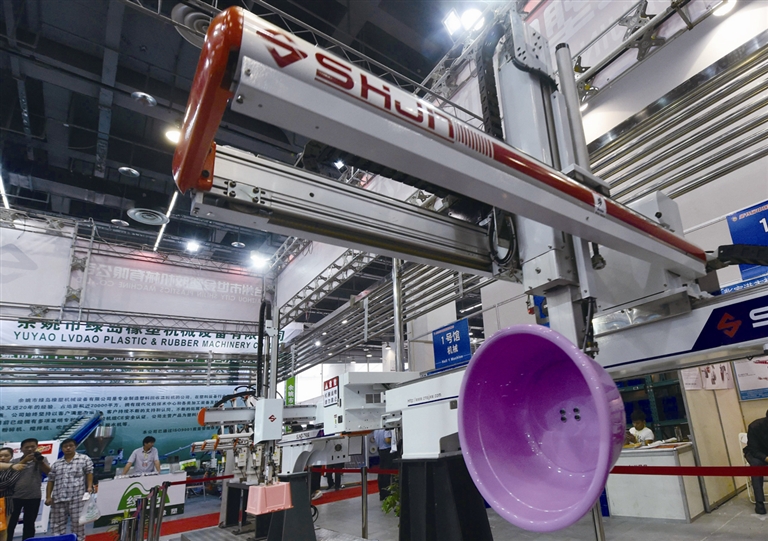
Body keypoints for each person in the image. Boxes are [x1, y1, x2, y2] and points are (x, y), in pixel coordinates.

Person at [45, 438, 94, 541]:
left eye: (70, 446)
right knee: (57, 524)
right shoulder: (57, 463)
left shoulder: (84, 459)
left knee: (78, 523)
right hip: (58, 498)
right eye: (65, 446)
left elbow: (89, 473)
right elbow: (51, 480)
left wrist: (89, 487)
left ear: (75, 447)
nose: (68, 448)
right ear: (62, 448)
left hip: (77, 498)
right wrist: (48, 496)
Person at [7, 438, 51, 541]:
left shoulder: (42, 459)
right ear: (21, 449)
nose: (30, 449)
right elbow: (9, 475)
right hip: (14, 496)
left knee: (29, 524)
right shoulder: (15, 461)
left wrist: (40, 462)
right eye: (27, 447)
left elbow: (49, 473)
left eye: (32, 447)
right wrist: (25, 460)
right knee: (11, 523)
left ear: (37, 447)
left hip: (33, 496)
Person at [0, 448, 29, 541]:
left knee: (3, 528)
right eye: (0, 456)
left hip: (6, 501)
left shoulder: (16, 468)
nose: (2, 458)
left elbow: (9, 483)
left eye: (6, 455)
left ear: (11, 456)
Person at [744, 410, 768, 515]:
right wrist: (766, 458)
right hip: (756, 454)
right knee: (756, 466)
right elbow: (753, 449)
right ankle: (759, 503)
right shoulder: (755, 427)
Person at [373, 429, 394, 501]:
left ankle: (382, 493)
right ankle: (387, 492)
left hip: (380, 450)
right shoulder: (386, 429)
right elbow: (387, 440)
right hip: (387, 450)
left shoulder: (376, 430)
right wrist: (394, 440)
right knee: (386, 473)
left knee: (381, 472)